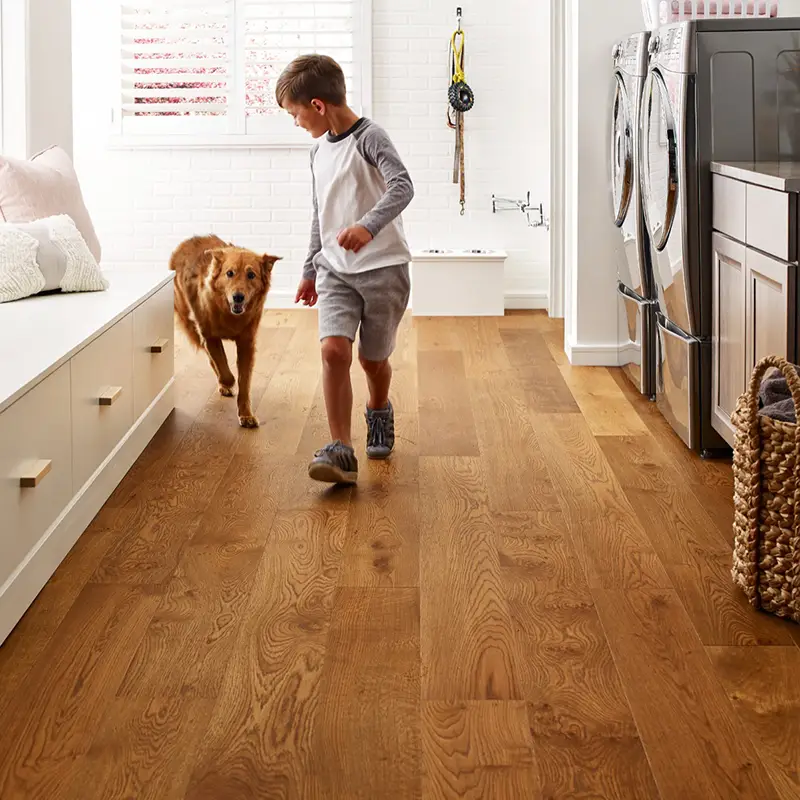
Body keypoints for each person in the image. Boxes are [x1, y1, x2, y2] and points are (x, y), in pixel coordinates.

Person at [276, 54, 414, 485]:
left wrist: (368, 227)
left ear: (317, 106)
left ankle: (378, 409)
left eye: (295, 113)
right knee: (333, 352)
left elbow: (403, 185)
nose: (295, 123)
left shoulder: (369, 138)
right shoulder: (317, 152)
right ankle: (341, 450)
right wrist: (309, 270)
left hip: (383, 270)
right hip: (335, 270)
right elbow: (320, 214)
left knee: (372, 361)